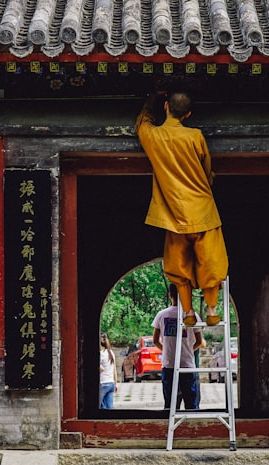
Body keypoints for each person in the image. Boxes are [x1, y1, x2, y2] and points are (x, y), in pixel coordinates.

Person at [137, 90, 228, 328]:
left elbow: (142, 123)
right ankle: (211, 309)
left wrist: (152, 100)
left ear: (166, 106)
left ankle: (187, 312)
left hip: (174, 216)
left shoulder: (153, 136)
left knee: (179, 266)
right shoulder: (196, 136)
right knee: (212, 262)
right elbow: (206, 168)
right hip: (204, 213)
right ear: (188, 114)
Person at [153, 283, 203, 410]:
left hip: (169, 365)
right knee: (191, 404)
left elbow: (155, 340)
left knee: (170, 405)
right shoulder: (192, 316)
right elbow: (199, 341)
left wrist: (167, 351)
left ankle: (171, 429)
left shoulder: (161, 315)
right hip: (187, 365)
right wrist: (187, 351)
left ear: (170, 295)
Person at [98, 333, 118, 409]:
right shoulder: (111, 353)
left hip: (102, 383)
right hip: (111, 383)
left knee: (98, 407)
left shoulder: (100, 354)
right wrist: (116, 383)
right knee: (109, 408)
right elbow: (114, 370)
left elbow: (101, 369)